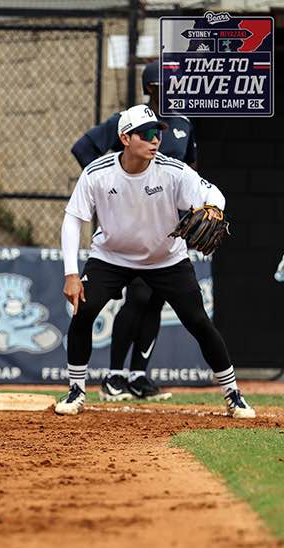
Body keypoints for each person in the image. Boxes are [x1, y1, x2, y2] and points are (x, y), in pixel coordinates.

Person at [55, 103, 254, 420]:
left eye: (157, 133)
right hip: (111, 257)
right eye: (145, 134)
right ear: (125, 138)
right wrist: (71, 274)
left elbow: (213, 193)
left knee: (198, 322)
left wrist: (214, 208)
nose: (155, 140)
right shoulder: (97, 173)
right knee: (84, 313)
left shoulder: (172, 170)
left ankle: (233, 395)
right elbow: (72, 220)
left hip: (166, 258)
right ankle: (76, 391)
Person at [71, 61, 198, 402]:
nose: (173, 90)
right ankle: (115, 375)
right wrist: (113, 190)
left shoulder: (183, 123)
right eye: (166, 85)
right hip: (128, 229)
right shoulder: (126, 121)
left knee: (154, 300)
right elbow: (83, 149)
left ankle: (138, 376)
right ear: (151, 88)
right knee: (139, 297)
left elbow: (190, 169)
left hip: (166, 231)